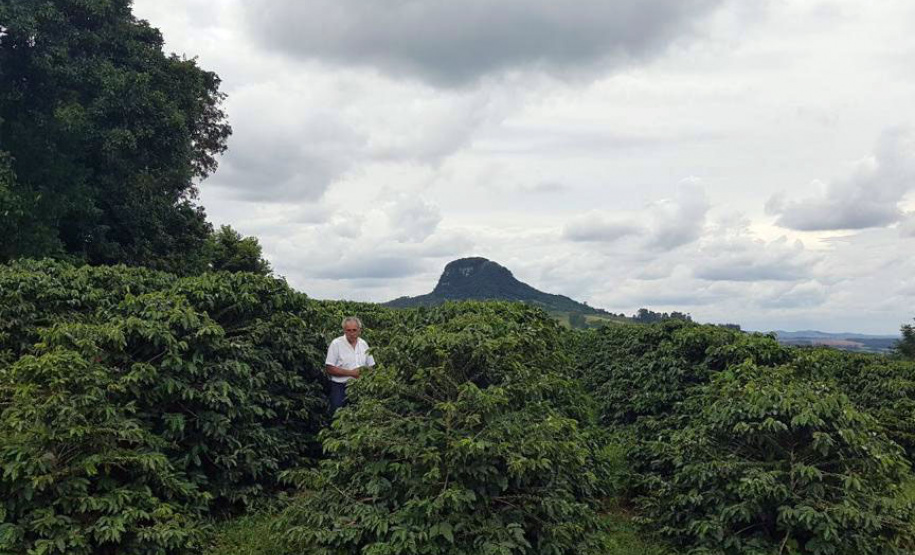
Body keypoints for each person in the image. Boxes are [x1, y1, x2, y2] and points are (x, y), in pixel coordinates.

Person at [325, 316, 374, 413]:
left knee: (360, 413)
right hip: (340, 387)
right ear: (344, 330)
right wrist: (351, 373)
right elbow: (329, 368)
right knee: (337, 413)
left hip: (360, 386)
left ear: (360, 330)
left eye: (354, 330)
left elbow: (371, 365)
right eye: (348, 330)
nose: (352, 333)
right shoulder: (336, 344)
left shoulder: (364, 344)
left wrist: (365, 374)